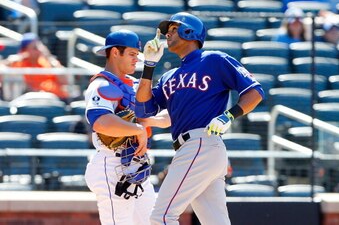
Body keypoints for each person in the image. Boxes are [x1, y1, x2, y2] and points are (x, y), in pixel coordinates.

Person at [135, 12, 264, 225]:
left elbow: (255, 91)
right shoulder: (169, 76)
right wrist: (149, 66)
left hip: (201, 143)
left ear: (189, 31)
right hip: (195, 149)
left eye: (173, 28)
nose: (167, 34)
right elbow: (143, 109)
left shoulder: (213, 60)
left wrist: (229, 115)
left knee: (161, 217)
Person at [84, 29, 171, 225]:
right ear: (115, 52)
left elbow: (168, 117)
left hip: (136, 165)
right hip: (112, 164)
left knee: (155, 221)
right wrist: (138, 130)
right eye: (132, 54)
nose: (136, 59)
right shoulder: (100, 84)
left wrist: (149, 122)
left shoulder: (135, 84)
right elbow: (101, 122)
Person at [2, 32, 69, 100]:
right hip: (33, 100)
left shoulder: (49, 61)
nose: (39, 50)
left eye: (39, 46)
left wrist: (49, 57)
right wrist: (9, 61)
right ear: (25, 50)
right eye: (35, 48)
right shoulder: (18, 63)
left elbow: (65, 81)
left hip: (58, 99)